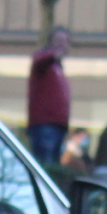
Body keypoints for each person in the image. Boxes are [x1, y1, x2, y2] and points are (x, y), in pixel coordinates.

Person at [25, 26, 71, 168]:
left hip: (57, 126)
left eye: (65, 41)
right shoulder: (44, 62)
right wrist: (52, 55)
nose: (62, 44)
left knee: (53, 164)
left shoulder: (58, 68)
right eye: (58, 40)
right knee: (46, 165)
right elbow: (39, 60)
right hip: (45, 125)